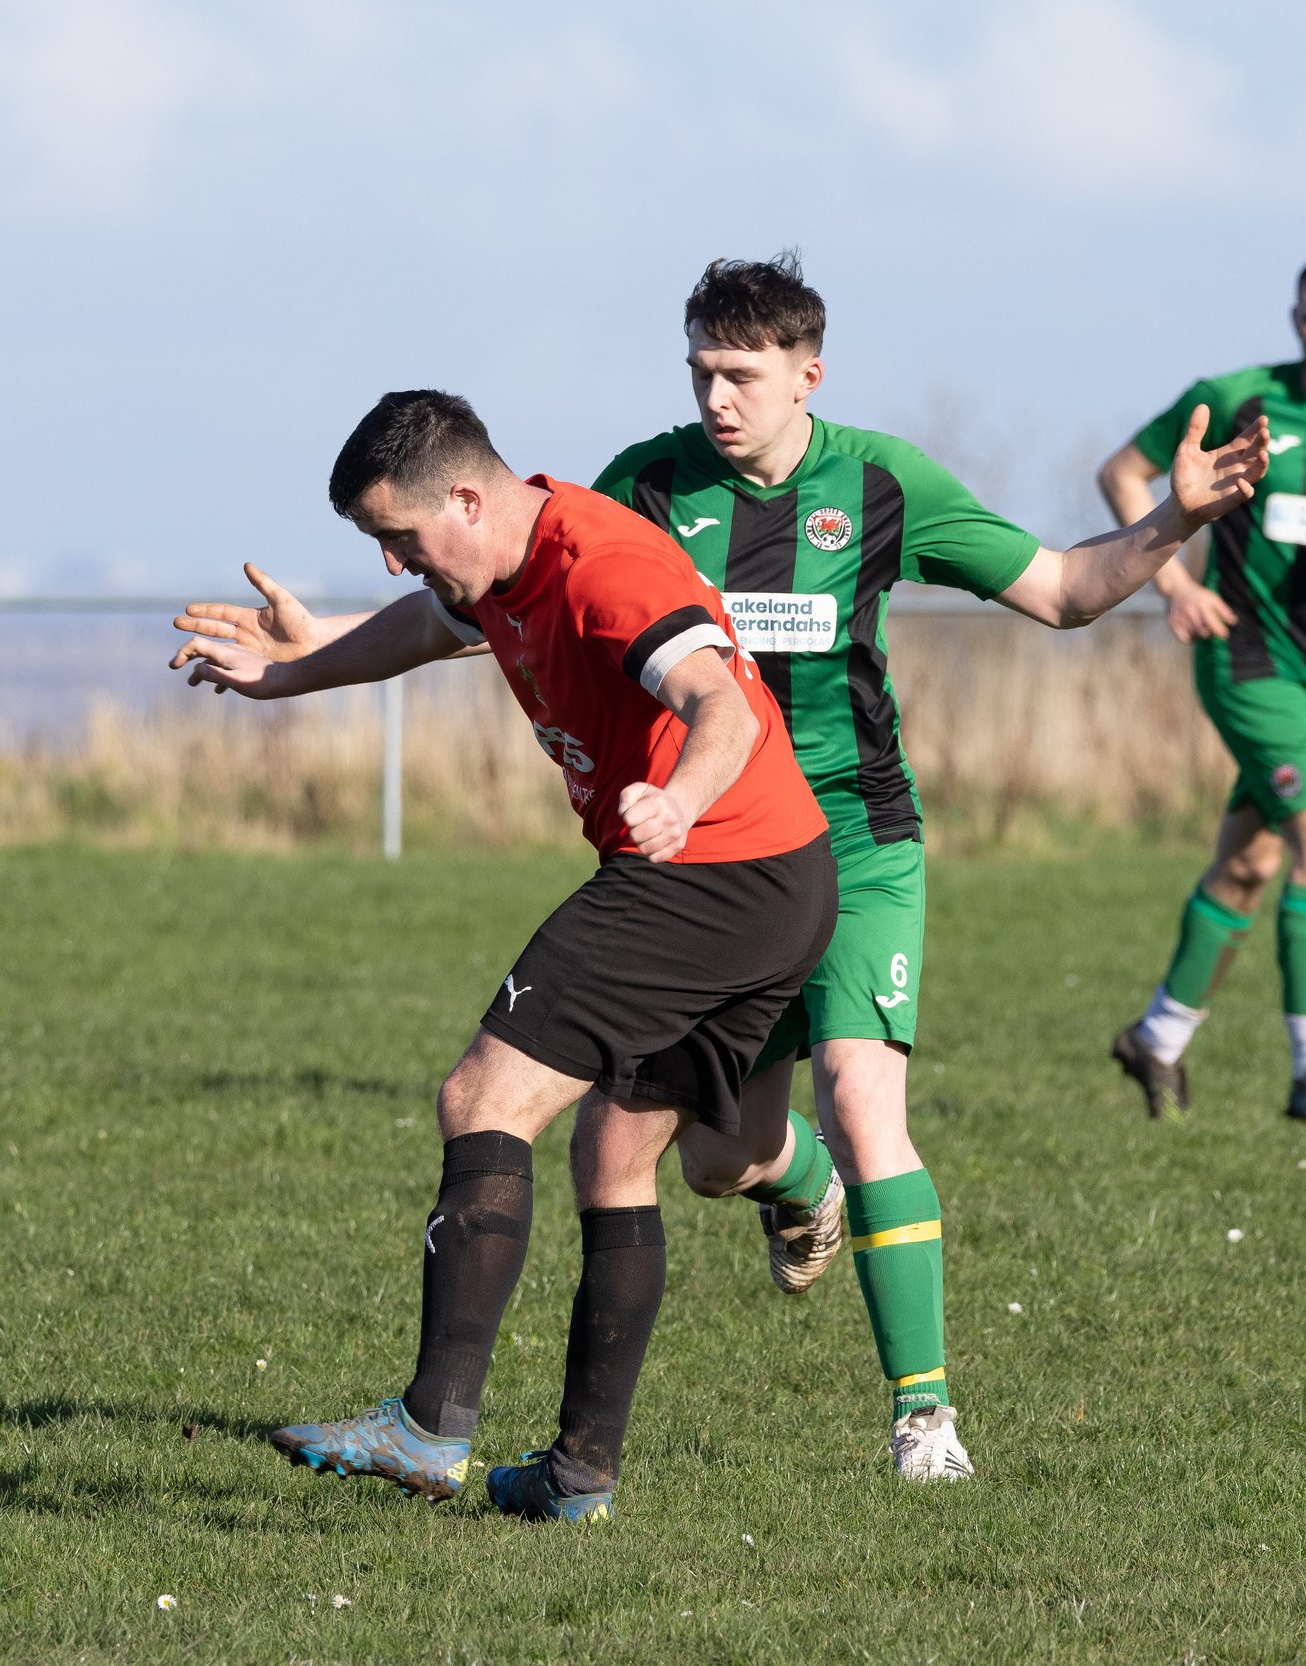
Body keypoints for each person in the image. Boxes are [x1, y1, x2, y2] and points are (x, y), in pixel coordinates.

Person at [176, 256, 1269, 1482]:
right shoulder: (639, 489)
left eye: (741, 375)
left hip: (835, 839)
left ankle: (924, 1420)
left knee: (859, 1102)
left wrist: (1172, 522)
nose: (717, 399)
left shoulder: (879, 482)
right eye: (700, 371)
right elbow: (481, 603)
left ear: (809, 374)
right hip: (700, 854)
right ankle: (769, 1211)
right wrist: (316, 652)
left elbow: (1064, 592)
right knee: (708, 1159)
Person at [170, 390, 835, 1522]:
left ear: (467, 498)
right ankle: (577, 1478)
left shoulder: (604, 566)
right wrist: (298, 668)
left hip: (702, 870)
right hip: (776, 880)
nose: (392, 564)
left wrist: (676, 801)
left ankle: (430, 1428)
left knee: (484, 1095)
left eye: (402, 537)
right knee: (617, 1159)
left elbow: (716, 701)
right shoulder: (495, 569)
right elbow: (431, 628)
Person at [1103, 250, 1306, 1127]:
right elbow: (1123, 471)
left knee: (1250, 866)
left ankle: (1158, 1038)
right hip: (1245, 662)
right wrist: (1173, 582)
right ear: (1296, 318)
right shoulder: (1243, 396)